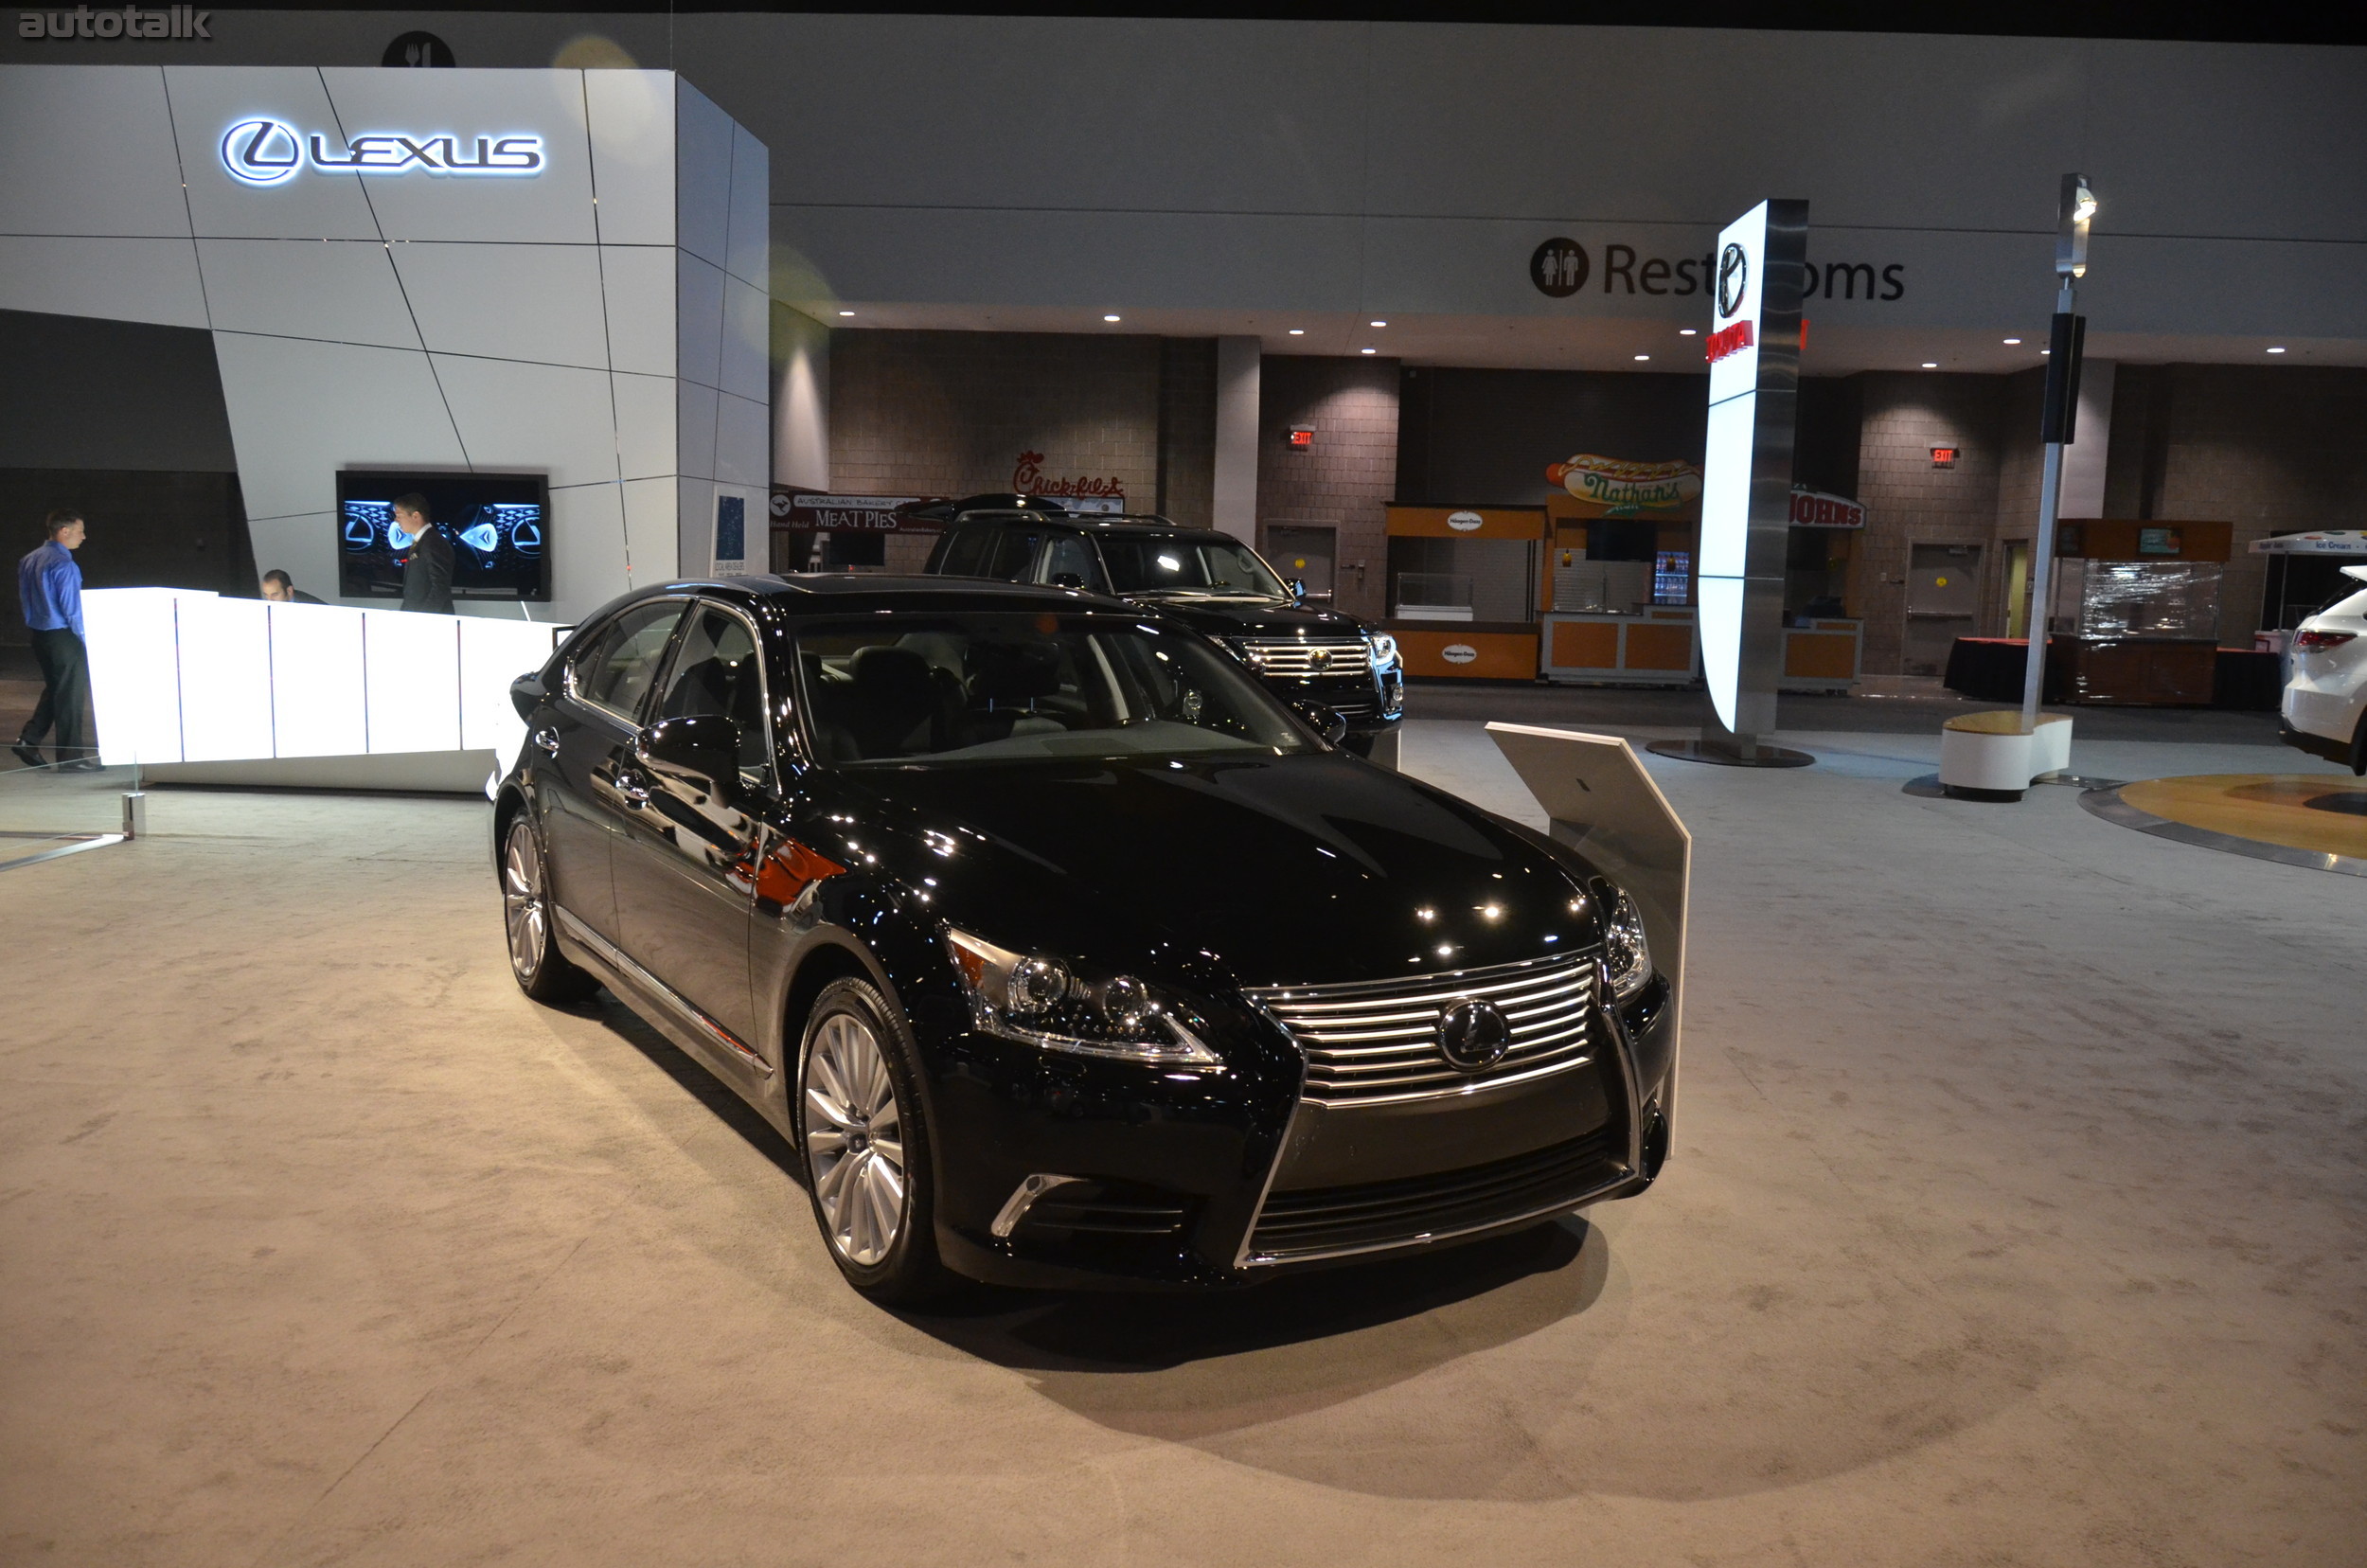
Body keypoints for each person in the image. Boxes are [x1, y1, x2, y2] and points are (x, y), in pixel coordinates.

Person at [14, 508, 98, 771]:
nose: (83, 537)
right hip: (63, 637)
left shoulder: (29, 559)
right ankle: (71, 758)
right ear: (64, 531)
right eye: (80, 531)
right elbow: (72, 610)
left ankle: (29, 740)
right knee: (70, 696)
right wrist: (86, 639)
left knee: (56, 689)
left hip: (40, 635)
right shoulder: (64, 564)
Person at [393, 492, 454, 615]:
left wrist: (423, 618)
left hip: (429, 621)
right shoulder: (424, 541)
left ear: (415, 516)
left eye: (399, 515)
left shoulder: (434, 542)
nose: (396, 520)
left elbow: (440, 587)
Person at [259, 569, 324, 605]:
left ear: (289, 591)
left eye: (275, 595)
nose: (270, 600)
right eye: (266, 595)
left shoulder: (311, 607)